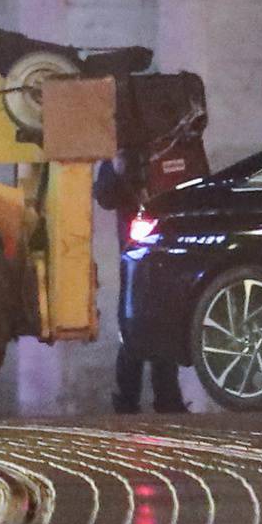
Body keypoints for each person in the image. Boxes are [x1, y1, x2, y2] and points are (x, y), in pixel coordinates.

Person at [95, 149, 187, 414]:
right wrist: (117, 168)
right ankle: (130, 398)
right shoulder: (119, 156)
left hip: (167, 250)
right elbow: (105, 196)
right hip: (134, 253)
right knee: (133, 318)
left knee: (164, 316)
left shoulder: (167, 148)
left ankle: (165, 397)